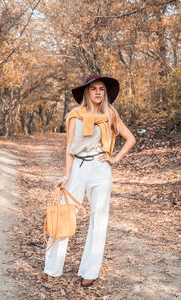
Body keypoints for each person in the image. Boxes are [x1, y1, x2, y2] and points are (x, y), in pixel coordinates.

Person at [44, 74, 136, 287]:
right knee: (65, 214)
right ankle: (52, 267)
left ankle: (90, 271)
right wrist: (66, 176)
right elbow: (69, 149)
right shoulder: (75, 115)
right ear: (87, 92)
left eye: (101, 89)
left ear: (105, 93)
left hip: (100, 168)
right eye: (93, 88)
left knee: (99, 218)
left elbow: (130, 139)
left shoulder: (110, 113)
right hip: (78, 166)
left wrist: (114, 158)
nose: (97, 92)